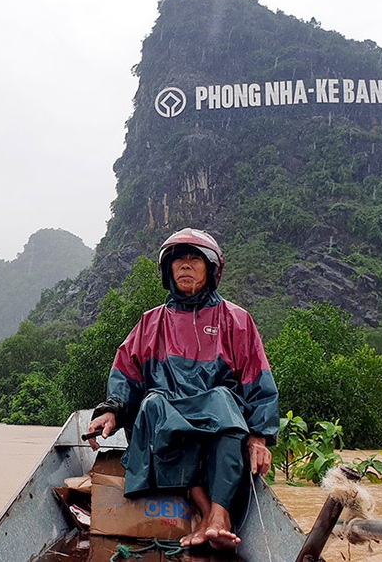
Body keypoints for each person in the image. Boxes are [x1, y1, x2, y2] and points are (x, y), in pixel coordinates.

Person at [86, 228, 279, 551]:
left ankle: (220, 515)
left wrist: (259, 436)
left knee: (221, 402)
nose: (186, 266)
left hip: (220, 426)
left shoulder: (236, 320)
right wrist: (111, 410)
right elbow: (126, 375)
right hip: (166, 430)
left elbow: (258, 381)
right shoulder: (150, 323)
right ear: (168, 270)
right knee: (154, 404)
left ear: (211, 269)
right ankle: (207, 514)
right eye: (179, 260)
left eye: (194, 259)